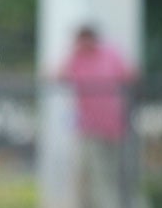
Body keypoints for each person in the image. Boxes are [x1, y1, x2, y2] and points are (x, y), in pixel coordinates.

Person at [57, 25, 138, 208]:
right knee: (83, 177)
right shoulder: (76, 58)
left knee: (106, 178)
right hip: (87, 128)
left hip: (114, 127)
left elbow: (131, 76)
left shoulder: (110, 55)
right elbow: (58, 76)